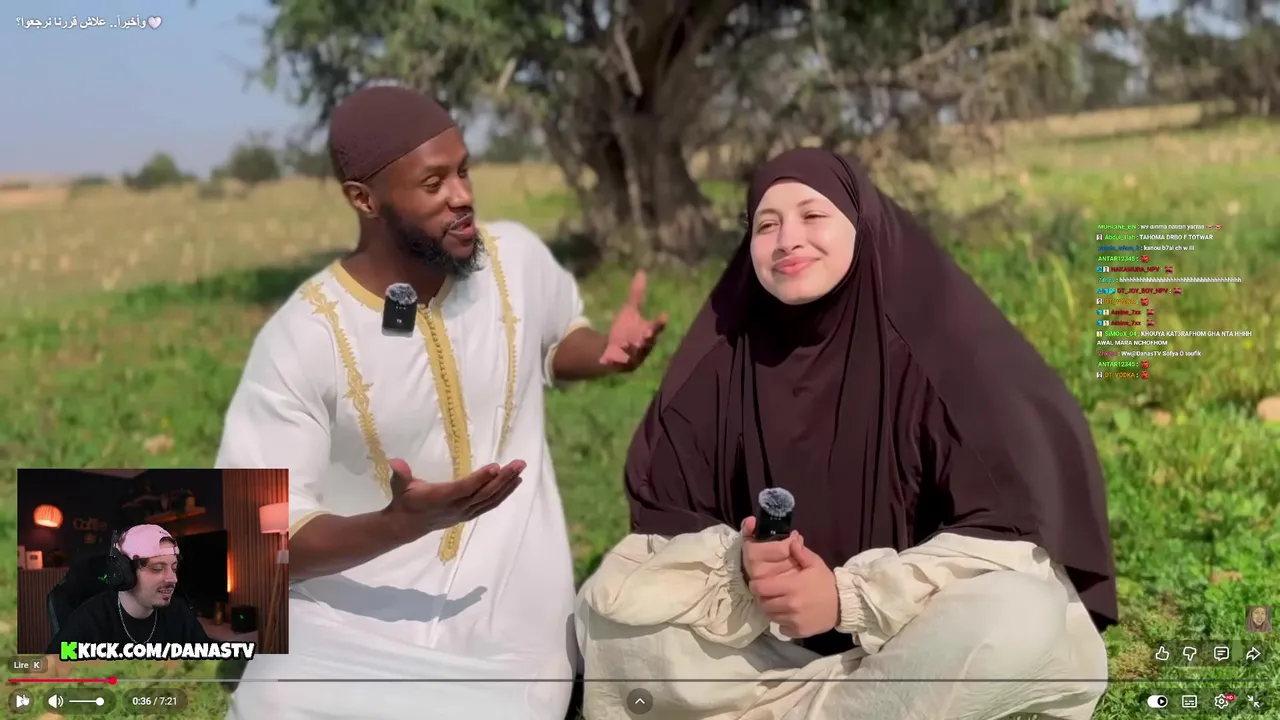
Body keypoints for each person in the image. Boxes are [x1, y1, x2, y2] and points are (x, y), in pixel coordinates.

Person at [575, 148, 1117, 719]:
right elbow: (666, 530)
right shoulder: (723, 359)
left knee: (1019, 614)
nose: (788, 240)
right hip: (765, 646)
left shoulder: (952, 357)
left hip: (914, 634)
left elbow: (1010, 538)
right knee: (609, 618)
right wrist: (744, 567)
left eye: (813, 216)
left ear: (862, 223)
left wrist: (844, 599)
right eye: (766, 225)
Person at [216, 85, 666, 720]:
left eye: (464, 171)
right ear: (364, 199)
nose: (462, 196)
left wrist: (604, 354)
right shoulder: (305, 336)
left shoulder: (513, 258)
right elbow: (252, 542)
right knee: (273, 698)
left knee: (516, 703)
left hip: (507, 605)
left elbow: (557, 337)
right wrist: (396, 525)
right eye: (434, 183)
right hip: (353, 616)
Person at [46, 525, 211, 653]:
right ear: (124, 573)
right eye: (157, 568)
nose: (172, 579)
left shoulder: (179, 613)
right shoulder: (89, 621)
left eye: (174, 568)